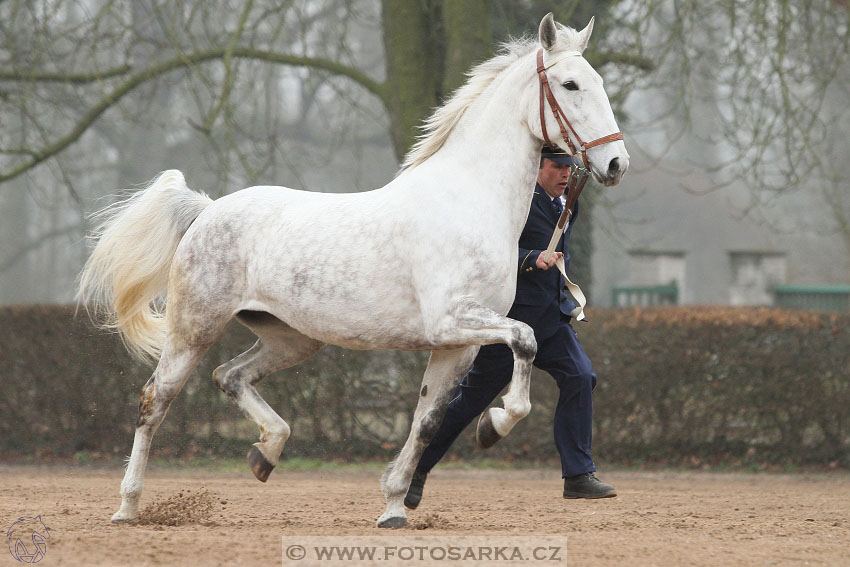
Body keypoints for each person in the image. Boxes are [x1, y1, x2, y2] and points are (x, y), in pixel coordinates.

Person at [405, 145, 615, 508]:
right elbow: (492, 255)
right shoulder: (515, 203)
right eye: (556, 166)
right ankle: (415, 468)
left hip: (551, 320)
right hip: (511, 323)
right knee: (470, 400)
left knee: (580, 376)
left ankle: (579, 475)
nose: (565, 174)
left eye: (568, 167)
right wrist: (533, 259)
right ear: (538, 167)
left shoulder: (569, 202)